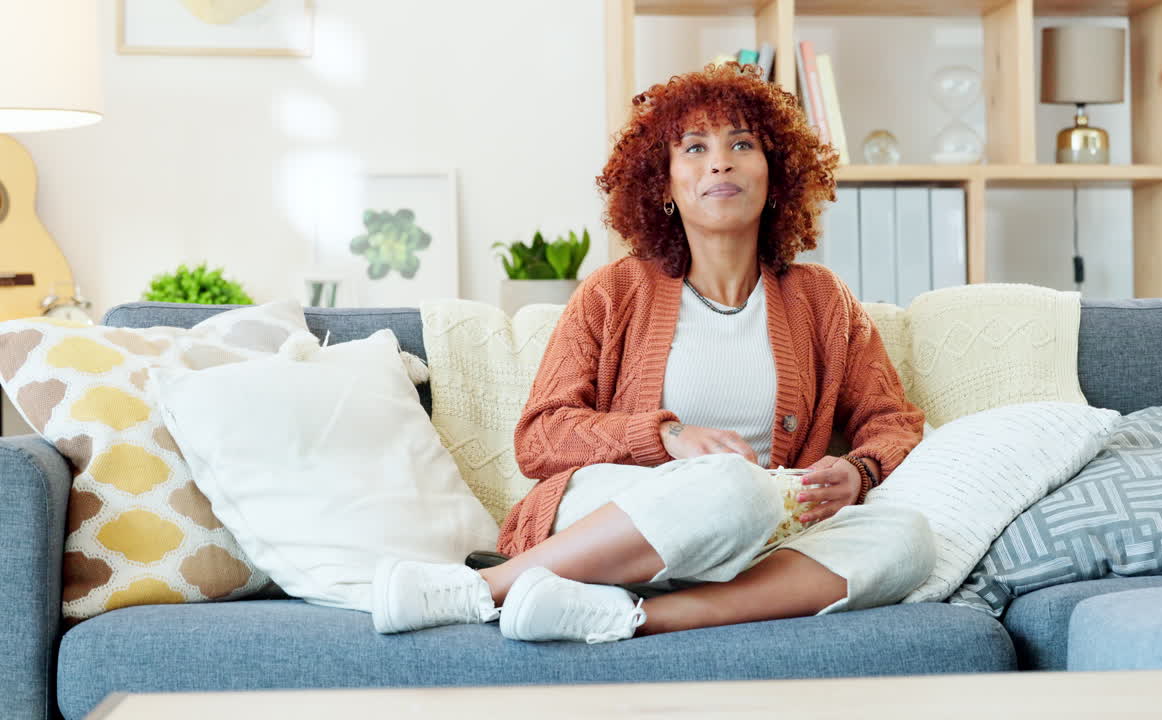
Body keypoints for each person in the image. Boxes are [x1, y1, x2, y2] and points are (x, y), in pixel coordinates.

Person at [371, 62, 934, 642]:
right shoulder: (613, 292)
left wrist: (858, 471)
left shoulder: (821, 299)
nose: (720, 161)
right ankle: (485, 590)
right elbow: (539, 437)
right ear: (663, 184)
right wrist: (667, 437)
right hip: (618, 513)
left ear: (775, 175)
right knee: (733, 487)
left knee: (908, 537)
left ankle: (635, 616)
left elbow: (892, 422)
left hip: (762, 534)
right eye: (694, 147)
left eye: (742, 143)